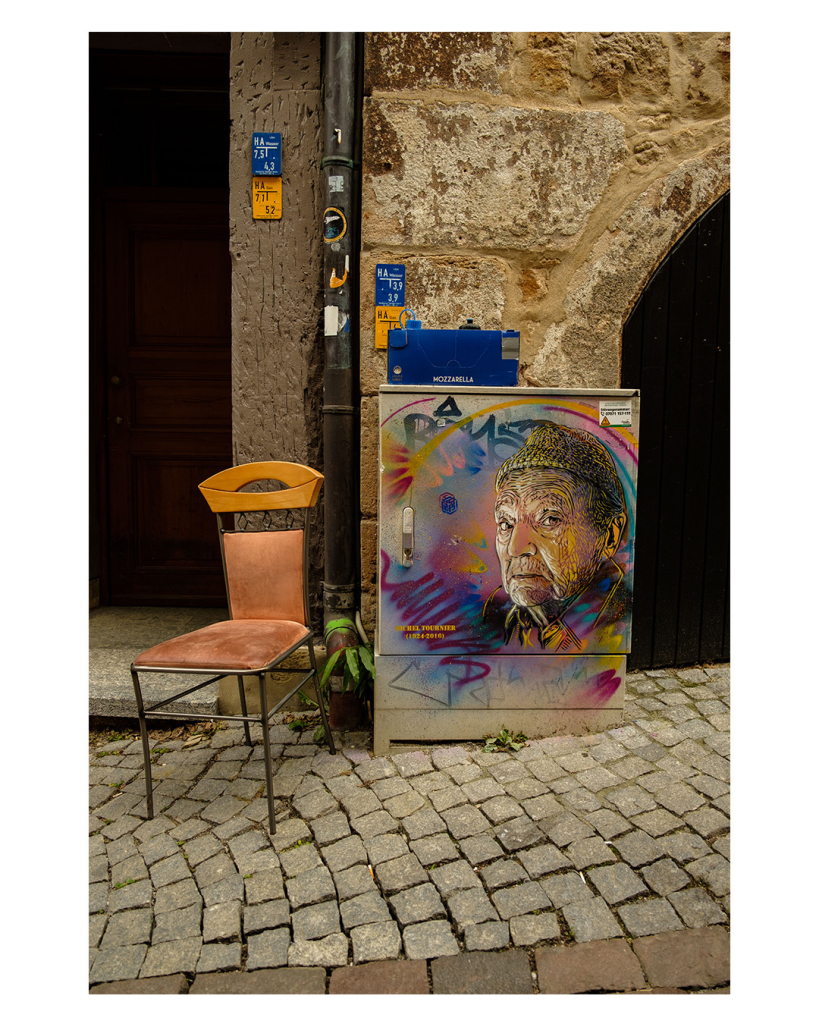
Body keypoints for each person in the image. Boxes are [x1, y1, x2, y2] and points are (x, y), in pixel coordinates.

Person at [482, 421, 630, 652]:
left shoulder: (617, 621)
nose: (515, 548)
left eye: (549, 520)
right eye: (506, 523)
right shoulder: (496, 612)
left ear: (609, 536)